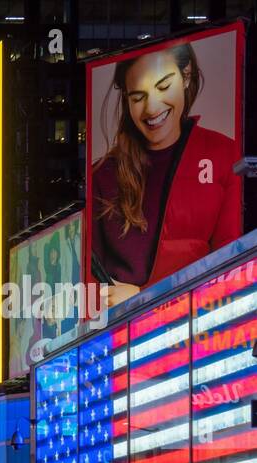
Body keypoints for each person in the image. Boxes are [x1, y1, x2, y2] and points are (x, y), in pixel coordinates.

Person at [91, 41, 242, 308]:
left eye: (163, 86)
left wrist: (144, 298)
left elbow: (231, 271)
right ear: (126, 99)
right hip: (120, 338)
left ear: (186, 76)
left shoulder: (224, 154)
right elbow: (86, 282)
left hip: (202, 333)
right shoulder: (102, 174)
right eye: (137, 97)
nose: (151, 108)